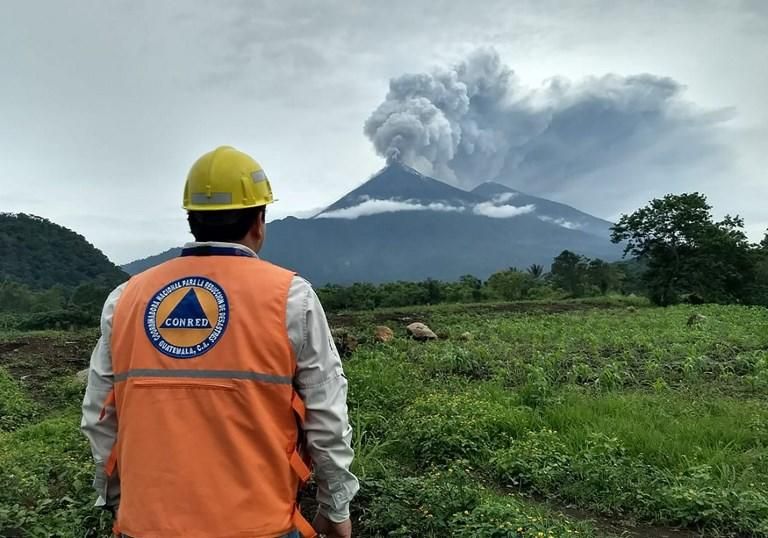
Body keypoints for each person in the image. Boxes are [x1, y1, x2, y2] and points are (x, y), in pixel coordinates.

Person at [81, 146, 359, 538]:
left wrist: (117, 499)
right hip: (260, 525)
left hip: (146, 524)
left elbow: (99, 416)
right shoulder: (290, 298)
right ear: (259, 221)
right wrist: (335, 507)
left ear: (191, 220)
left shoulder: (125, 299)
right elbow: (326, 415)